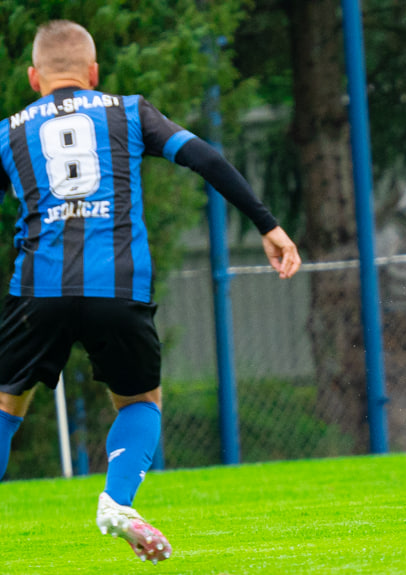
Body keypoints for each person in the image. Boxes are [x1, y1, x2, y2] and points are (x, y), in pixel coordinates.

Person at [0, 21, 301, 564]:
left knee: (4, 404)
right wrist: (267, 225)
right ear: (93, 74)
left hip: (37, 289)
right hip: (116, 287)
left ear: (32, 77)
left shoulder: (9, 132)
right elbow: (205, 157)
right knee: (140, 401)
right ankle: (116, 501)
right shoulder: (128, 110)